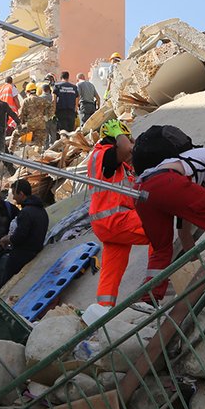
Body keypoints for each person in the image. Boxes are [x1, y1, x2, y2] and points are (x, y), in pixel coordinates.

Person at [135, 141, 205, 303]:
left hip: (143, 189)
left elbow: (184, 234)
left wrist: (196, 265)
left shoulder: (187, 175)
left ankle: (150, 298)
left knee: (161, 249)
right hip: (166, 181)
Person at [87, 119, 150, 307]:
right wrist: (119, 133)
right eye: (126, 139)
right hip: (115, 218)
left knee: (112, 270)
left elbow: (134, 152)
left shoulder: (119, 165)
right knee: (158, 228)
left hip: (106, 224)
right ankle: (155, 287)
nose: (130, 144)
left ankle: (103, 311)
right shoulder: (103, 154)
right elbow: (126, 149)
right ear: (115, 139)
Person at [0, 179, 48, 284]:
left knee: (7, 285)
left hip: (21, 257)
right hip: (36, 253)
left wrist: (7, 239)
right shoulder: (41, 210)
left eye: (14, 194)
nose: (14, 198)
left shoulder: (25, 213)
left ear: (21, 194)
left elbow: (19, 236)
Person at [19, 83, 53, 150]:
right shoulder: (41, 100)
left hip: (29, 125)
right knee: (39, 143)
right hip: (41, 124)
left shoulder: (26, 101)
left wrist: (22, 123)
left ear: (28, 91)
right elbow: (51, 106)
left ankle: (10, 151)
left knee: (15, 135)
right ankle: (37, 156)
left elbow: (21, 114)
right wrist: (47, 117)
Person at [52, 71, 79, 135]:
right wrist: (75, 109)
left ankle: (64, 144)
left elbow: (54, 99)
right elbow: (77, 98)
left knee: (63, 132)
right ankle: (70, 144)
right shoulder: (74, 87)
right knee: (71, 133)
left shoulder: (57, 86)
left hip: (61, 112)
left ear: (61, 77)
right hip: (71, 112)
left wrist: (53, 111)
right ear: (68, 77)